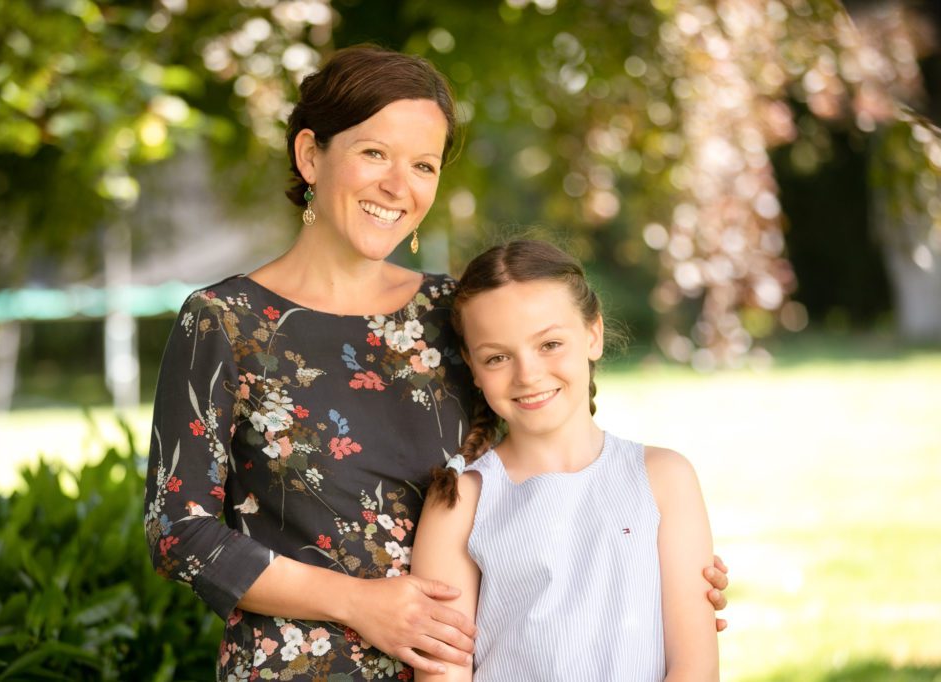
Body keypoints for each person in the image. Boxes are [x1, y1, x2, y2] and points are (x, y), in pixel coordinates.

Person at [143, 45, 728, 681]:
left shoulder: (450, 311)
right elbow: (179, 532)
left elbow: (544, 462)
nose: (399, 186)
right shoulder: (223, 321)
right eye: (374, 153)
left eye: (422, 164)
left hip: (479, 663)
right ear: (310, 154)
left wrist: (648, 573)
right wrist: (360, 604)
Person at [410, 239, 719, 681]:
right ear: (473, 368)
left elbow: (695, 666)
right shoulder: (460, 501)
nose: (528, 374)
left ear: (593, 334)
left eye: (549, 344)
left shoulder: (665, 479)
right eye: (497, 357)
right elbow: (443, 675)